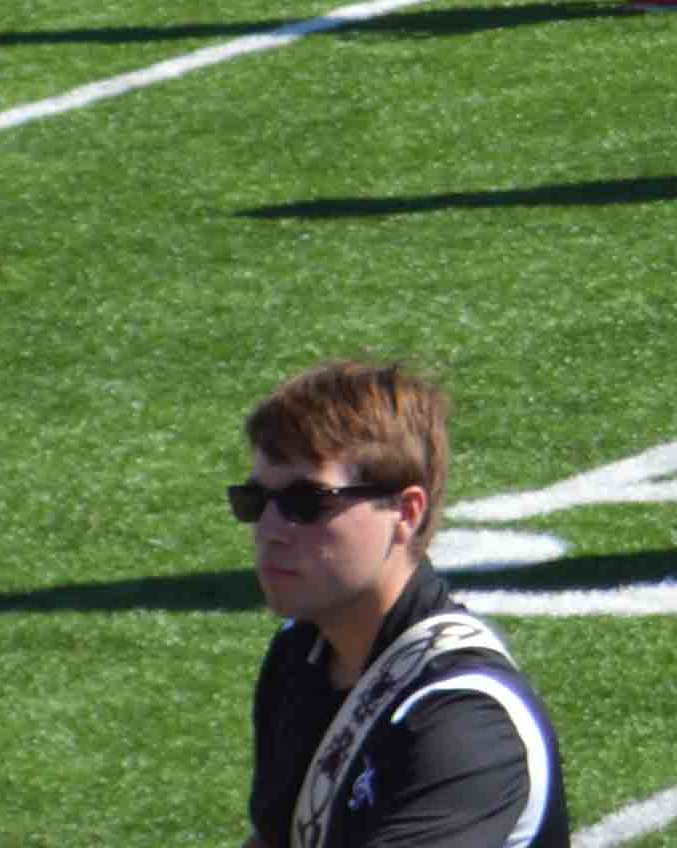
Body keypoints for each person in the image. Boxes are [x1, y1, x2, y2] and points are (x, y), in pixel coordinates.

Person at [236, 360, 570, 848]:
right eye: (254, 501)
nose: (269, 530)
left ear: (405, 513)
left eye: (306, 503)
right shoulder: (301, 652)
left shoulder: (463, 725)